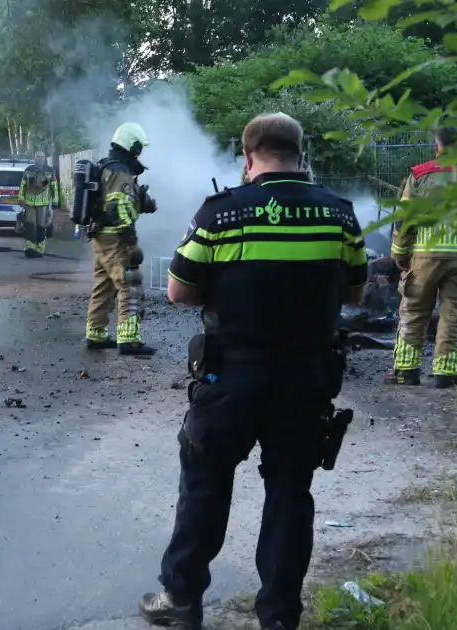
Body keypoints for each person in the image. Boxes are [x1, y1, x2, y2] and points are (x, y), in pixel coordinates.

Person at [139, 113, 368, 630]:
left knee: (205, 484)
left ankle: (181, 602)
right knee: (290, 493)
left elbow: (178, 290)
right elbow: (353, 290)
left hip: (230, 380)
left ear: (248, 157)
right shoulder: (339, 216)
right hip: (306, 380)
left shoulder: (222, 214)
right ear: (299, 153)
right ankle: (279, 618)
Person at [386, 127, 457, 389]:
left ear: (437, 146)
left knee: (414, 310)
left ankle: (406, 371)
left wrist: (400, 254)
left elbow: (404, 219)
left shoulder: (419, 174)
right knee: (453, 313)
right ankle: (446, 375)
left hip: (425, 255)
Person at [84, 122, 158, 356]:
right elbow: (118, 208)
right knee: (130, 282)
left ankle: (96, 333)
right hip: (116, 238)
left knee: (104, 285)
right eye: (138, 148)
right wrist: (132, 243)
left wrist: (142, 202)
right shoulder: (119, 171)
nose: (139, 153)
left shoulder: (107, 166)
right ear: (131, 145)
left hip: (101, 236)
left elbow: (116, 202)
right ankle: (129, 339)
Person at [18, 151, 60, 258]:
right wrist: (21, 198)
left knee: (41, 225)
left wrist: (55, 200)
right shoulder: (28, 170)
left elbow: (54, 187)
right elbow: (23, 185)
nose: (40, 159)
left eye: (42, 157)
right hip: (29, 203)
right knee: (30, 224)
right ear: (35, 158)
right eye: (38, 157)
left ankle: (40, 247)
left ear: (44, 158)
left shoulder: (50, 171)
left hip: (43, 203)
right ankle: (30, 246)